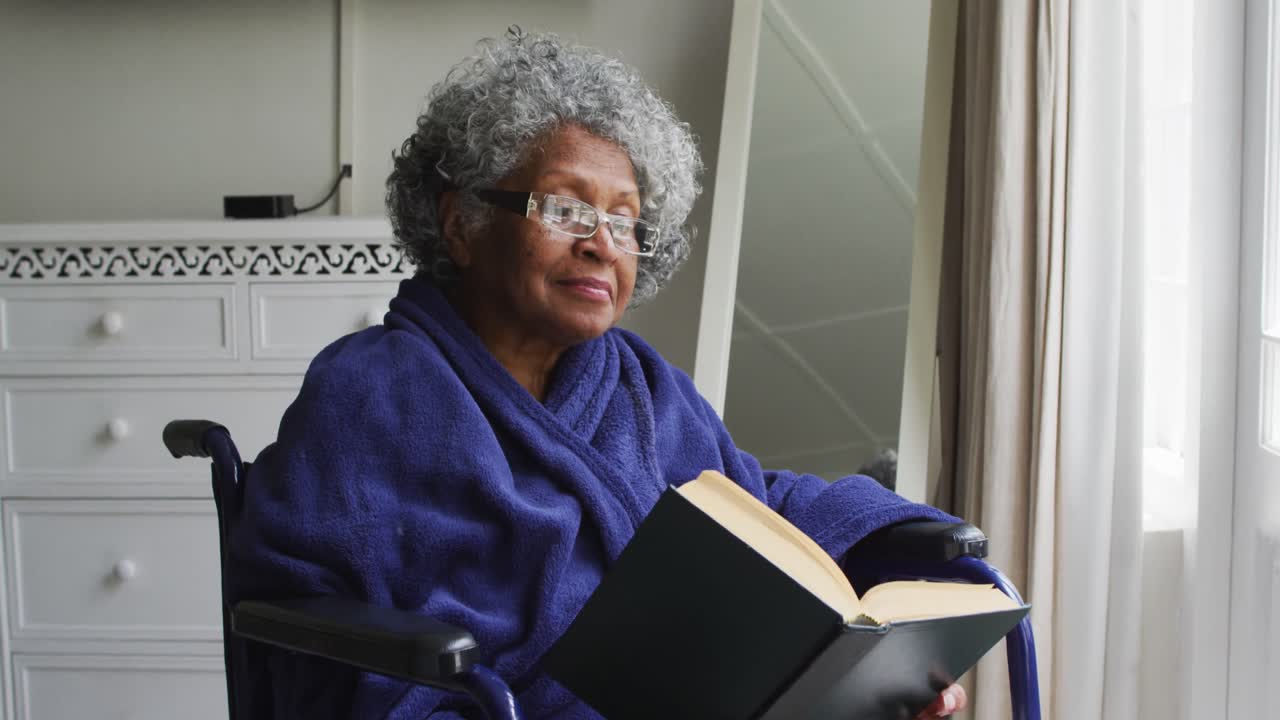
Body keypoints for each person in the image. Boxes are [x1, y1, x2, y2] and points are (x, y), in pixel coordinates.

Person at [228, 27, 968, 719]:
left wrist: (886, 575)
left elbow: (750, 506)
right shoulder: (370, 391)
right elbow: (303, 603)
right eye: (564, 207)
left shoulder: (645, 388)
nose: (601, 245)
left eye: (624, 221)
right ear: (460, 224)